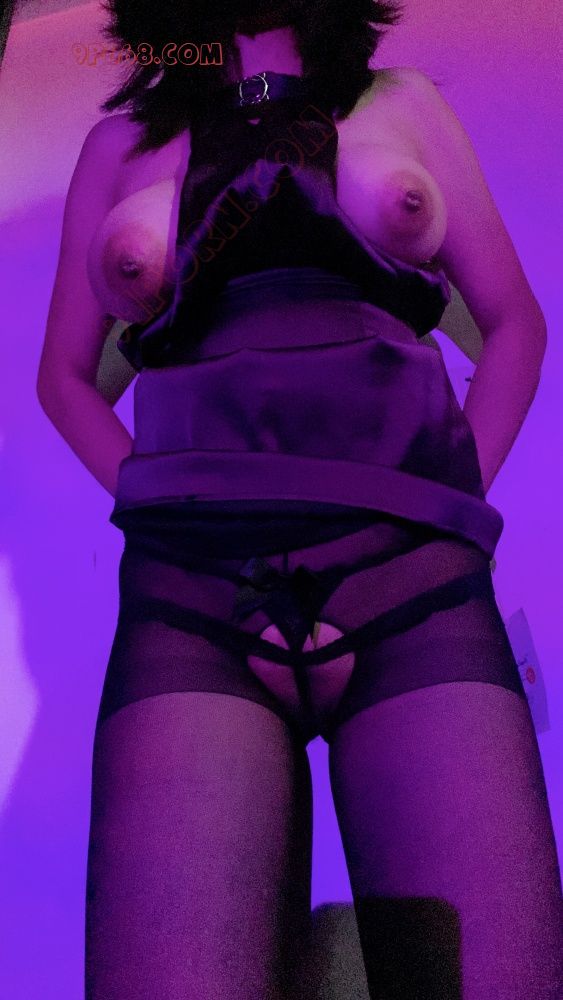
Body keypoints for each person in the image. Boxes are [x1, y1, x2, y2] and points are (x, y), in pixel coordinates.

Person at [37, 2, 562, 998]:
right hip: (192, 599)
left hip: (415, 586)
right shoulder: (117, 147)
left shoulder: (401, 102)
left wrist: (450, 504)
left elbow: (514, 325)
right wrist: (158, 501)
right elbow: (63, 377)